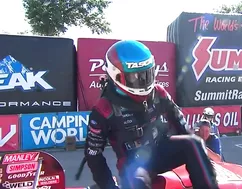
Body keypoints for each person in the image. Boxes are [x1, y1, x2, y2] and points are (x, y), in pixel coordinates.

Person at [84, 40, 218, 189]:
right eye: (136, 77)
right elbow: (93, 155)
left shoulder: (159, 92)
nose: (143, 81)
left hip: (160, 150)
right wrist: (109, 187)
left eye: (146, 74)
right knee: (138, 180)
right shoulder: (104, 108)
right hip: (134, 164)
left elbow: (181, 125)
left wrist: (201, 156)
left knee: (194, 143)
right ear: (116, 75)